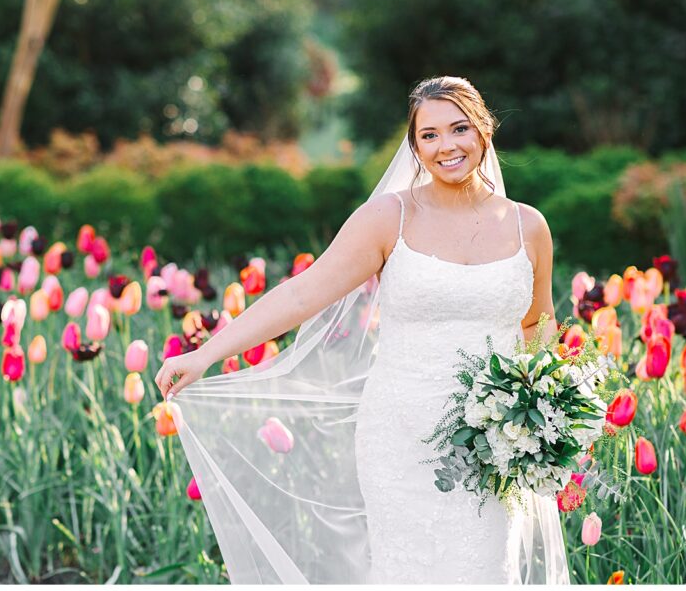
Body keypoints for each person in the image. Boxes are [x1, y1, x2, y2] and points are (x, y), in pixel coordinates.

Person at [155, 76, 570, 584]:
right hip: (402, 437)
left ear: (484, 129)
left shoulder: (529, 226)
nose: (446, 147)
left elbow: (537, 327)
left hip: (496, 444)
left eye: (459, 128)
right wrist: (205, 354)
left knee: (484, 568)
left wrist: (554, 415)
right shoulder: (388, 219)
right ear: (415, 147)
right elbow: (303, 294)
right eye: (430, 136)